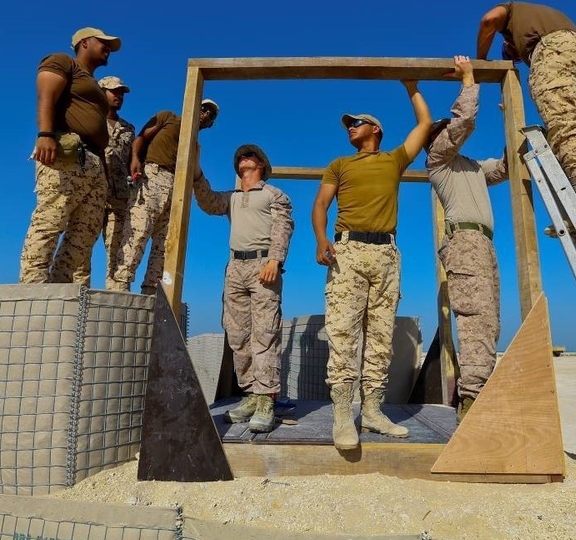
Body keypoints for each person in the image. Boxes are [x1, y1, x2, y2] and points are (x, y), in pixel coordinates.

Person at [311, 85, 432, 451]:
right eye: (348, 124)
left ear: (375, 130)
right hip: (347, 252)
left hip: (387, 256)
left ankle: (374, 412)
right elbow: (320, 205)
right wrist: (320, 239)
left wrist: (411, 87)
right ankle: (344, 414)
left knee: (381, 338)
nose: (350, 127)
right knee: (343, 334)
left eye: (357, 123)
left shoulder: (394, 160)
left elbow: (425, 122)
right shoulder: (340, 164)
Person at [476, 1, 576, 235]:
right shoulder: (552, 19)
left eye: (512, 54)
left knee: (563, 123)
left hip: (554, 48)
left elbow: (488, 20)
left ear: (508, 42)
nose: (518, 59)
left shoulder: (513, 13)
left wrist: (480, 61)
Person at [423, 56, 508, 422]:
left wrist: (511, 120)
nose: (449, 134)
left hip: (484, 244)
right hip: (466, 244)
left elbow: (506, 166)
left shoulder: (472, 168)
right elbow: (465, 122)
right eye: (443, 131)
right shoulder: (439, 162)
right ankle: (472, 400)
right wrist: (469, 79)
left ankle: (478, 393)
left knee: (489, 321)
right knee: (475, 320)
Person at [193, 145, 294, 433]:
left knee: (265, 333)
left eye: (250, 156)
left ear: (261, 164)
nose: (243, 158)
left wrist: (276, 259)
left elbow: (283, 227)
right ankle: (251, 394)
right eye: (239, 157)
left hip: (264, 265)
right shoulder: (232, 198)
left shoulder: (274, 194)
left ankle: (266, 399)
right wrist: (197, 170)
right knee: (237, 335)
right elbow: (208, 202)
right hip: (235, 267)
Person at [19, 27, 121, 284]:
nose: (108, 47)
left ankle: (58, 289)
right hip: (67, 153)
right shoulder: (65, 62)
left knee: (84, 234)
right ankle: (32, 288)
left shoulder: (95, 85)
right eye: (103, 42)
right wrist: (45, 134)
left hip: (94, 162)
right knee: (51, 220)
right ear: (84, 43)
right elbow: (46, 94)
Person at [107, 99, 219, 294]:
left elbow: (195, 174)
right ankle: (119, 286)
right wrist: (135, 159)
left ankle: (152, 291)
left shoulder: (195, 145)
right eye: (203, 109)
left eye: (211, 115)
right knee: (137, 232)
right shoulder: (169, 117)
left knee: (166, 243)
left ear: (210, 124)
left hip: (178, 188)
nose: (206, 115)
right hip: (153, 176)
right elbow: (141, 137)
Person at [62, 76, 136, 285]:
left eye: (122, 92)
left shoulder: (128, 128)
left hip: (118, 198)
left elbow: (131, 159)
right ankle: (79, 293)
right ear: (101, 92)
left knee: (117, 249)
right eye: (115, 91)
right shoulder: (88, 120)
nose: (119, 96)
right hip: (89, 191)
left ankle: (117, 295)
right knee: (82, 244)